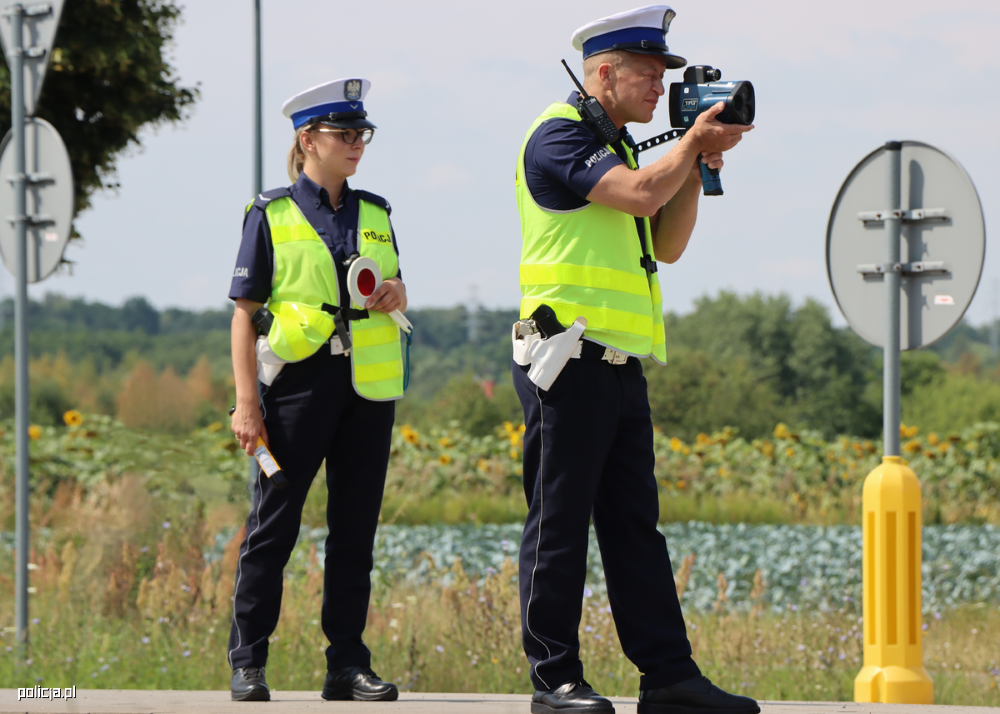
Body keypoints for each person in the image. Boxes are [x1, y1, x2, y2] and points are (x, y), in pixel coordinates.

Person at [511, 7, 759, 714]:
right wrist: (684, 150)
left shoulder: (616, 145)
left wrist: (697, 163)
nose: (661, 87)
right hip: (565, 362)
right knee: (557, 525)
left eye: (664, 75)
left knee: (633, 529)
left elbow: (668, 238)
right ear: (603, 73)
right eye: (649, 75)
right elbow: (642, 193)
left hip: (619, 365)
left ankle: (669, 676)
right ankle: (553, 678)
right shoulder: (557, 135)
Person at [226, 78, 406, 703]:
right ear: (308, 140)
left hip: (366, 392)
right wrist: (247, 404)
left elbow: (394, 287)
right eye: (345, 134)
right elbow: (244, 314)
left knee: (354, 534)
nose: (358, 144)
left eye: (363, 134)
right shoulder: (269, 213)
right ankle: (248, 661)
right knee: (273, 530)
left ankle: (346, 665)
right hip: (295, 390)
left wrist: (395, 294)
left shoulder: (378, 211)